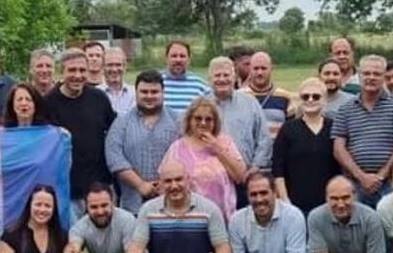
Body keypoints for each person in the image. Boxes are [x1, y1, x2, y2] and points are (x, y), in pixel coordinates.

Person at [332, 55, 393, 208]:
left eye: (376, 74)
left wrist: (381, 176)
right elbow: (338, 148)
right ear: (359, 76)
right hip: (355, 183)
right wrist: (361, 176)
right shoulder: (345, 108)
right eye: (366, 73)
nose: (371, 78)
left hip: (390, 182)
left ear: (384, 76)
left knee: (390, 227)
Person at [43, 49, 117, 209]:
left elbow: (115, 134)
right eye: (72, 70)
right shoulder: (47, 104)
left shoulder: (99, 98)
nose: (78, 75)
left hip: (100, 190)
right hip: (67, 192)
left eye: (82, 70)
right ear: (61, 71)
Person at [105, 70, 182, 212]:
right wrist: (140, 185)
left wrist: (166, 184)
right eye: (144, 92)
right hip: (133, 205)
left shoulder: (178, 121)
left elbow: (186, 156)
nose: (149, 96)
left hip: (172, 203)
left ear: (163, 93)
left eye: (154, 92)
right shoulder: (121, 123)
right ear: (136, 93)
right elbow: (114, 159)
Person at [164, 98, 247, 219]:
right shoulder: (177, 148)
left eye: (208, 119)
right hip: (189, 217)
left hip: (223, 215)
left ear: (215, 122)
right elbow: (165, 182)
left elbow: (240, 176)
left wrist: (218, 149)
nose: (203, 123)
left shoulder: (225, 142)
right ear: (189, 120)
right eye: (198, 118)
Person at [272, 77, 340, 215]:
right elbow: (278, 169)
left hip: (329, 204)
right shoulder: (288, 129)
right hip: (295, 205)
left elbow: (340, 168)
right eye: (305, 96)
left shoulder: (335, 128)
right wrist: (285, 201)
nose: (310, 100)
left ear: (324, 100)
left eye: (316, 96)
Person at [210, 56, 269, 201]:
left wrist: (255, 169)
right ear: (209, 79)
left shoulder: (250, 103)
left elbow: (264, 139)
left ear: (235, 77)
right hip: (213, 182)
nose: (222, 79)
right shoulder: (202, 106)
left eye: (226, 75)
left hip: (246, 179)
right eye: (217, 75)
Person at [243, 51, 294, 141]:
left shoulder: (285, 97)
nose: (259, 72)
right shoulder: (239, 97)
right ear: (250, 69)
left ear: (271, 69)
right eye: (256, 68)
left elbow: (291, 130)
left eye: (263, 68)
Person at [161, 40, 212, 119]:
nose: (178, 60)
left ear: (189, 59)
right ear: (166, 59)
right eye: (174, 56)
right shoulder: (155, 84)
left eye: (182, 56)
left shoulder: (201, 86)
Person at [99, 46, 136, 114]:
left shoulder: (135, 93)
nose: (114, 69)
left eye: (118, 65)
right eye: (110, 65)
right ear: (102, 67)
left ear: (125, 67)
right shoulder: (95, 94)